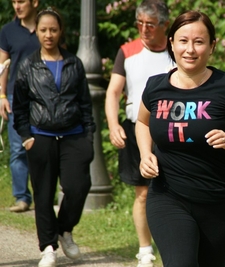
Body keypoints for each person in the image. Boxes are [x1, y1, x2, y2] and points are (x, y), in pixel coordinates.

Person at [135, 10, 225, 267]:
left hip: (218, 202)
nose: (190, 49)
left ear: (212, 46)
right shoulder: (156, 86)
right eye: (183, 41)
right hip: (167, 196)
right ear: (171, 43)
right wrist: (146, 154)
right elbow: (142, 122)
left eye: (199, 42)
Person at [12, 7, 95, 267]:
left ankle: (65, 229)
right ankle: (47, 246)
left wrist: (89, 138)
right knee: (44, 195)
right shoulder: (28, 65)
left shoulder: (74, 63)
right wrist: (26, 136)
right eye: (44, 30)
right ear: (37, 31)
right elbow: (20, 107)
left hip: (74, 136)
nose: (49, 34)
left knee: (78, 187)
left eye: (54, 30)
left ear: (60, 32)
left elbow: (85, 103)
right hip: (40, 136)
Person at [104, 0, 173, 266]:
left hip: (171, 129)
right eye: (139, 23)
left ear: (164, 25)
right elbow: (113, 92)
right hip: (137, 129)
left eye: (150, 24)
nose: (143, 29)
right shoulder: (127, 51)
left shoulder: (176, 50)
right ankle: (145, 249)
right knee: (143, 193)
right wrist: (113, 125)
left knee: (175, 191)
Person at [0, 0, 40, 213]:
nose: (17, 5)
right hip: (16, 97)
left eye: (21, 1)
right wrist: (1, 95)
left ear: (34, 2)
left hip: (42, 97)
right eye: (14, 1)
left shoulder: (46, 27)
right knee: (17, 148)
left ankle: (44, 194)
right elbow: (2, 65)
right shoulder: (7, 31)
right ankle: (22, 198)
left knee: (43, 146)